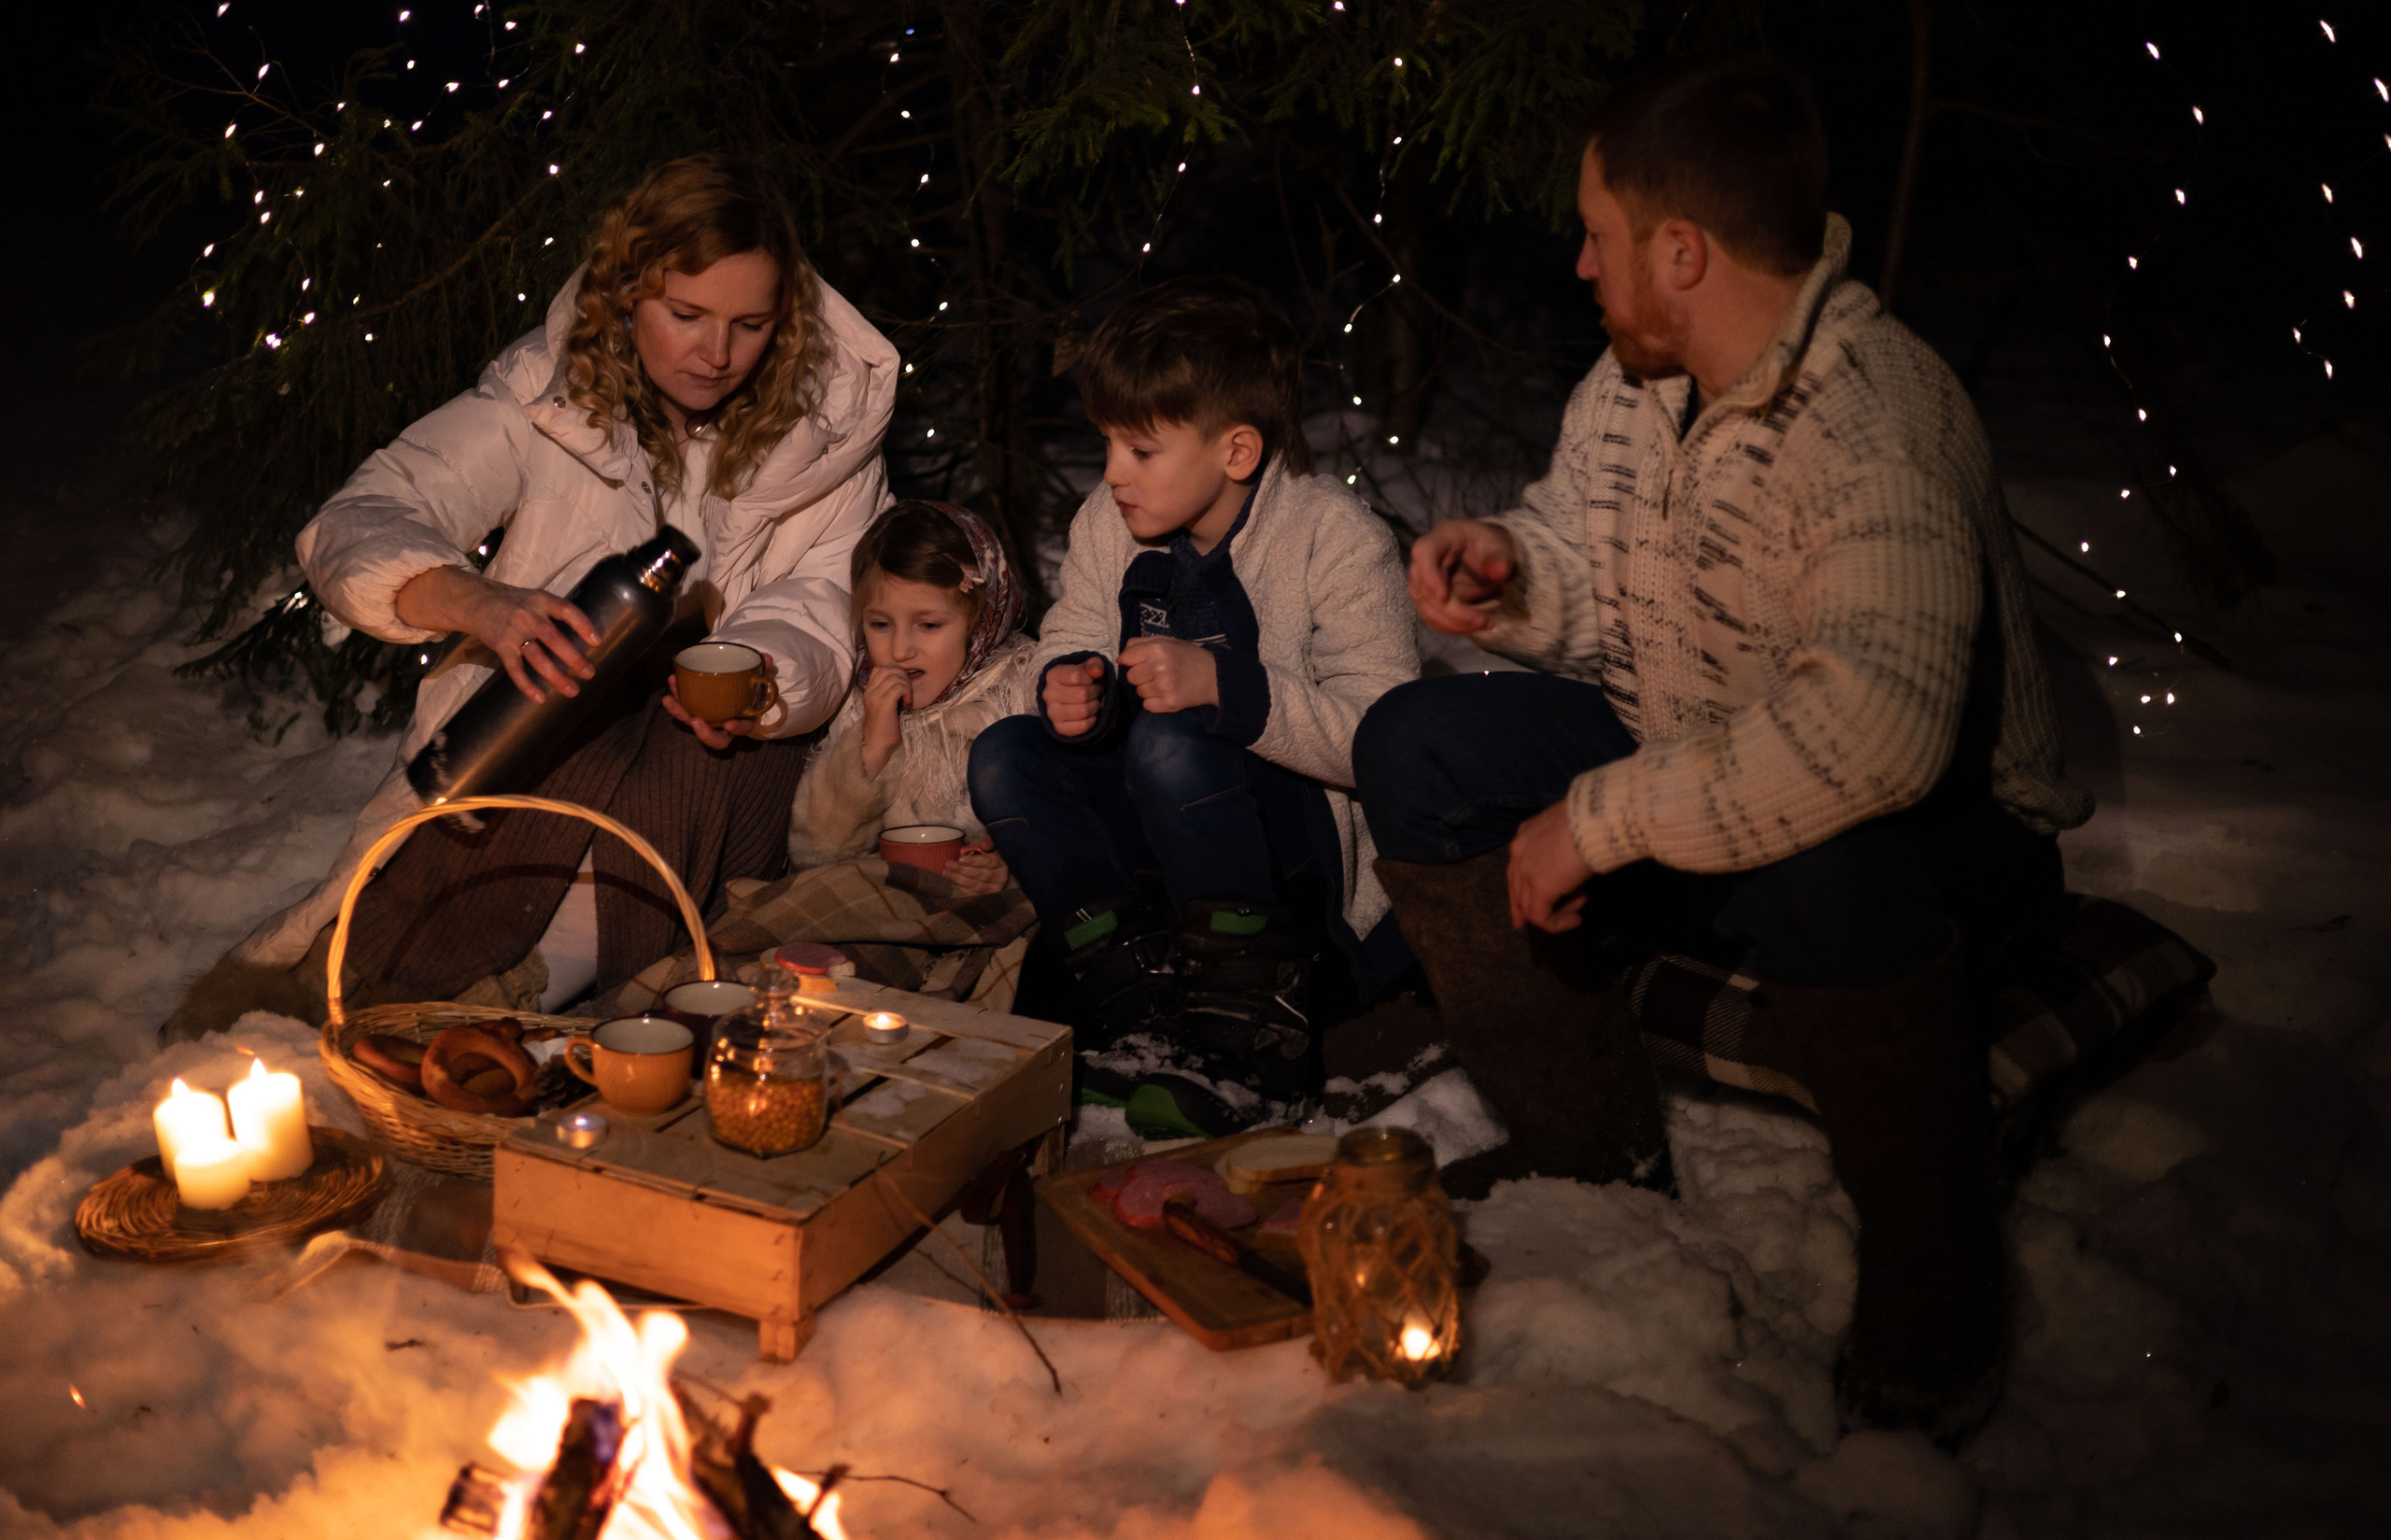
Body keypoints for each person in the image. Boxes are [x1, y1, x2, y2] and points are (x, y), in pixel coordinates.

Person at [1351, 57, 2092, 1443]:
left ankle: (1939, 1295)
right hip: (1692, 745)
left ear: (1680, 251)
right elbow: (1588, 546)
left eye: (1600, 234)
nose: (1582, 264)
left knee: (1825, 853)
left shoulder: (1877, 417)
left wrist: (1598, 822)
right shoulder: (1638, 382)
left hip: (1943, 842)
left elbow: (1873, 733)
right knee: (1418, 743)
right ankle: (1590, 1147)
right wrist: (1514, 568)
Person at [166, 153, 898, 1038]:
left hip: (725, 749)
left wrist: (758, 680)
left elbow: (822, 600)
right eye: (686, 316)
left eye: (750, 324)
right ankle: (429, 981)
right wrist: (475, 602)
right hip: (557, 707)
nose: (717, 355)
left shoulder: (827, 438)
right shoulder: (549, 399)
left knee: (684, 757)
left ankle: (554, 993)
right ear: (627, 293)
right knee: (559, 724)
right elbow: (362, 516)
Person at [968, 277, 1417, 1138]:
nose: (1112, 474)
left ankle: (1253, 1034)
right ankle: (1136, 1002)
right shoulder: (1110, 522)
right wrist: (1070, 685)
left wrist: (1225, 686)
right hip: (1156, 814)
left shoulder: (1334, 536)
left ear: (1236, 450)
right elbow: (1074, 632)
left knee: (1173, 738)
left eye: (1141, 450)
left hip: (1292, 851)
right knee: (1005, 754)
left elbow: (1386, 741)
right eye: (1107, 443)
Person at [609, 501, 1040, 1012]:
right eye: (880, 624)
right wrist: (874, 744)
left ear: (979, 617)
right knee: (761, 963)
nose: (900, 650)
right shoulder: (861, 701)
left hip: (980, 914)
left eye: (928, 625)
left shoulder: (1019, 692)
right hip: (877, 912)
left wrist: (1008, 869)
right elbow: (819, 854)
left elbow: (1064, 829)